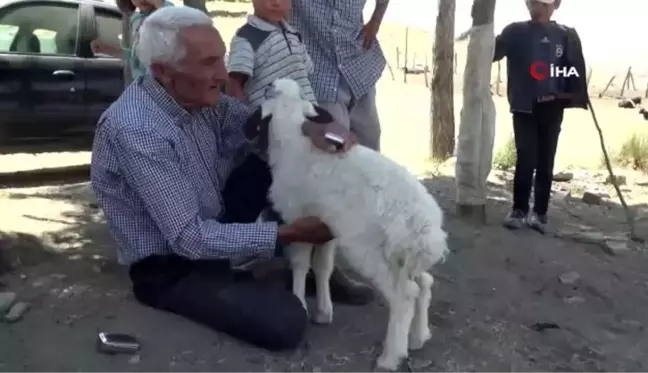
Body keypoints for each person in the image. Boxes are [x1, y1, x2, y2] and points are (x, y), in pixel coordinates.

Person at [90, 6, 367, 351]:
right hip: (172, 263)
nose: (223, 75)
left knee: (280, 157)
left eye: (221, 59)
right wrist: (289, 233)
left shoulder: (204, 100)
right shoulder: (137, 129)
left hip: (215, 216)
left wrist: (315, 127)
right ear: (163, 71)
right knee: (285, 322)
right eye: (208, 63)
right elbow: (189, 239)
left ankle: (294, 266)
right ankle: (251, 267)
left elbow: (260, 123)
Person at [494, 0, 588, 233]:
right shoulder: (514, 32)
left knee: (546, 162)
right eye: (534, 3)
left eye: (544, 4)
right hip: (524, 106)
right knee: (526, 159)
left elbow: (570, 69)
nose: (538, 8)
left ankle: (540, 214)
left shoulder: (565, 35)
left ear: (555, 5)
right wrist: (481, 34)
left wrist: (573, 91)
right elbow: (490, 54)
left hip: (552, 108)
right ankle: (519, 210)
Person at [289, 0, 390, 152]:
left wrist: (376, 21)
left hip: (357, 67)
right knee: (335, 149)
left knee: (370, 140)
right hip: (319, 73)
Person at [226, 0, 316, 108]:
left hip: (306, 114)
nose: (277, 3)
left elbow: (306, 72)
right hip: (272, 119)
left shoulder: (293, 34)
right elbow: (234, 86)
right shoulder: (247, 37)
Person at [90, 0, 174, 80]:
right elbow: (135, 56)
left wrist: (158, 4)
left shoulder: (167, 9)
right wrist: (107, 49)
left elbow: (172, 30)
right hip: (141, 82)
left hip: (164, 82)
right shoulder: (136, 20)